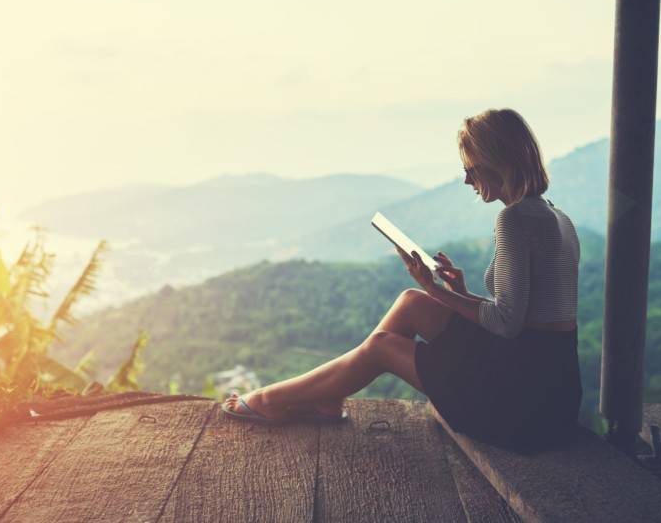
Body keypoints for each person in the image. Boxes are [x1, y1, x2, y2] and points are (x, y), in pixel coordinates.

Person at [222, 108, 583, 453]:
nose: (467, 180)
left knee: (383, 345)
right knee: (413, 301)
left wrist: (437, 290)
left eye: (471, 169)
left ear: (496, 161)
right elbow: (524, 314)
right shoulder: (556, 216)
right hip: (553, 392)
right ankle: (329, 395)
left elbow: (507, 323)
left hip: (522, 405)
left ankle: (272, 399)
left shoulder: (514, 220)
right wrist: (457, 293)